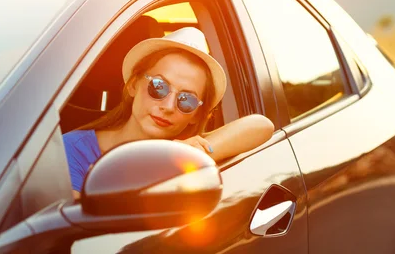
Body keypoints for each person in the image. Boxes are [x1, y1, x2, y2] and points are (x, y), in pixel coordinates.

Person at [63, 27, 274, 200]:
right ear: (133, 85)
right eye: (159, 87)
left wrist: (178, 156)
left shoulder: (187, 148)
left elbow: (261, 125)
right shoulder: (71, 150)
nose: (169, 106)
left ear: (196, 115)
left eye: (187, 100)